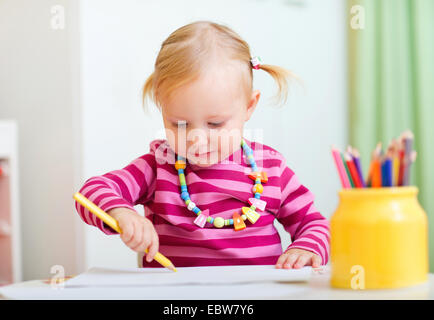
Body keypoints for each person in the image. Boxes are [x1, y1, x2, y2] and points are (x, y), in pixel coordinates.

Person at [75, 21, 330, 269]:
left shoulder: (271, 169)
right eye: (179, 123)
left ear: (249, 106)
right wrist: (121, 212)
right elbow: (92, 191)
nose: (196, 138)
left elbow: (314, 223)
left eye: (215, 124)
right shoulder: (158, 166)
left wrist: (306, 248)